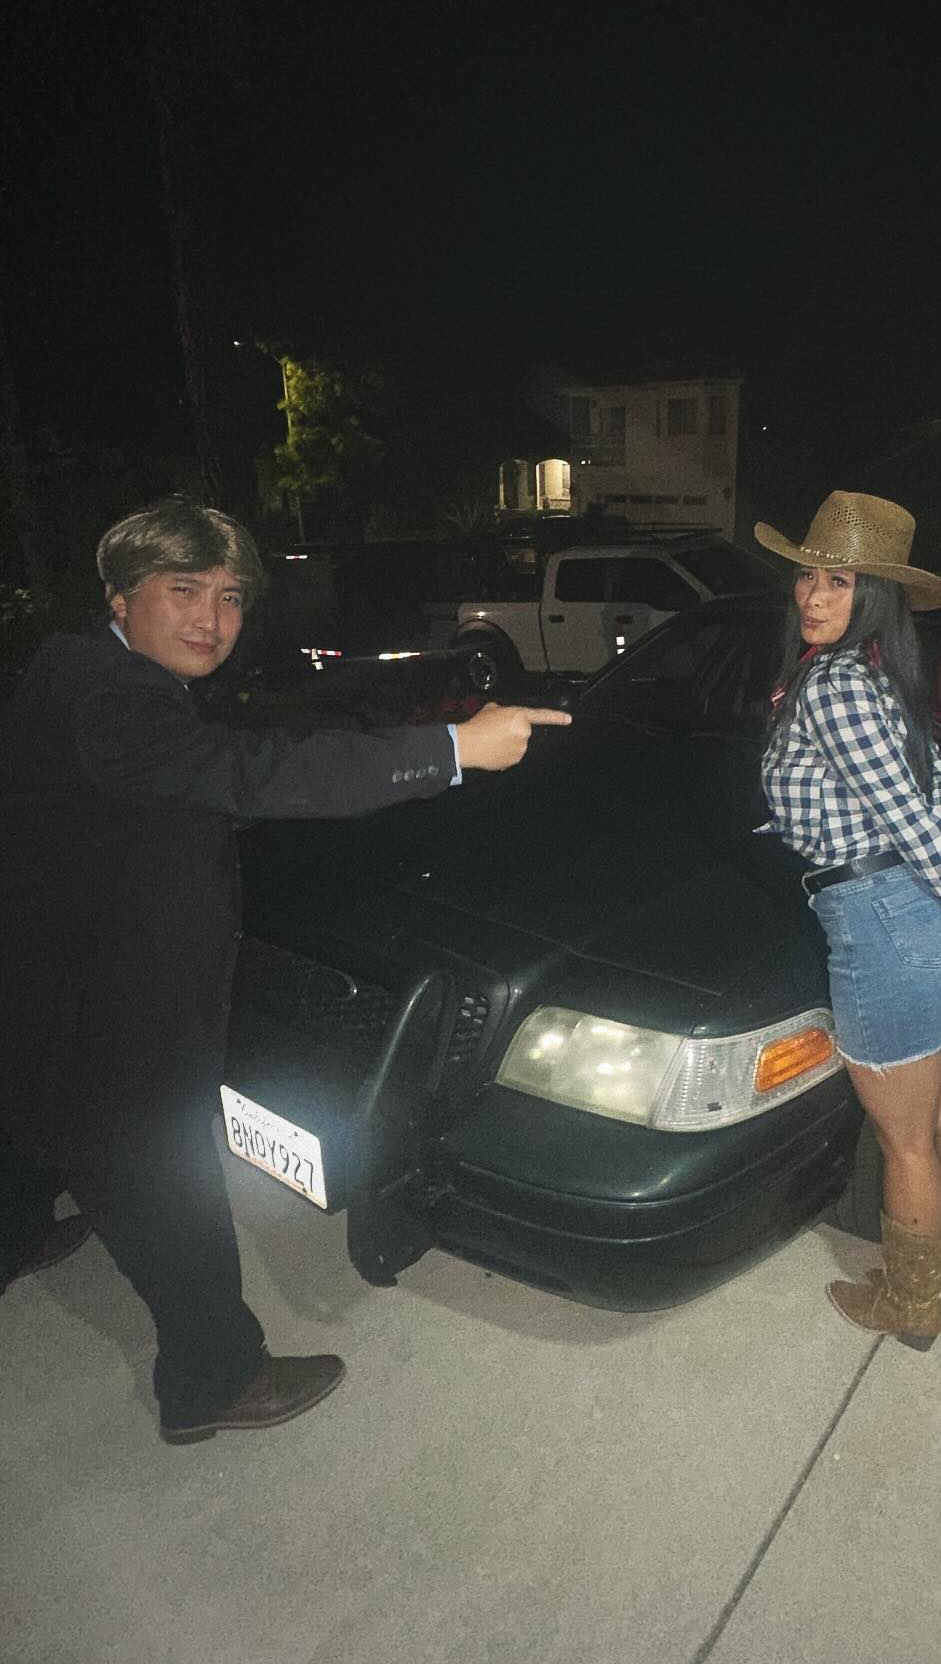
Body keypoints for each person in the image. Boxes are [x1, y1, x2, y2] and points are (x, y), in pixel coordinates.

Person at [0, 497, 570, 1443]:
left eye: (230, 598)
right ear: (120, 595)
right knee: (164, 1185)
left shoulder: (85, 668)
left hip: (48, 967)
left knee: (37, 1122)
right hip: (102, 1003)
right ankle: (212, 1382)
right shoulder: (109, 696)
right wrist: (451, 748)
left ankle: (16, 1234)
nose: (211, 620)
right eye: (184, 590)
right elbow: (251, 770)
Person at [754, 490, 941, 1350]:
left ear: (873, 596)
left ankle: (911, 1304)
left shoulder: (834, 687)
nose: (812, 595)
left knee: (907, 1146)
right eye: (808, 576)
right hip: (929, 928)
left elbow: (912, 822)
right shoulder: (880, 680)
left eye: (838, 581)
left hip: (885, 926)